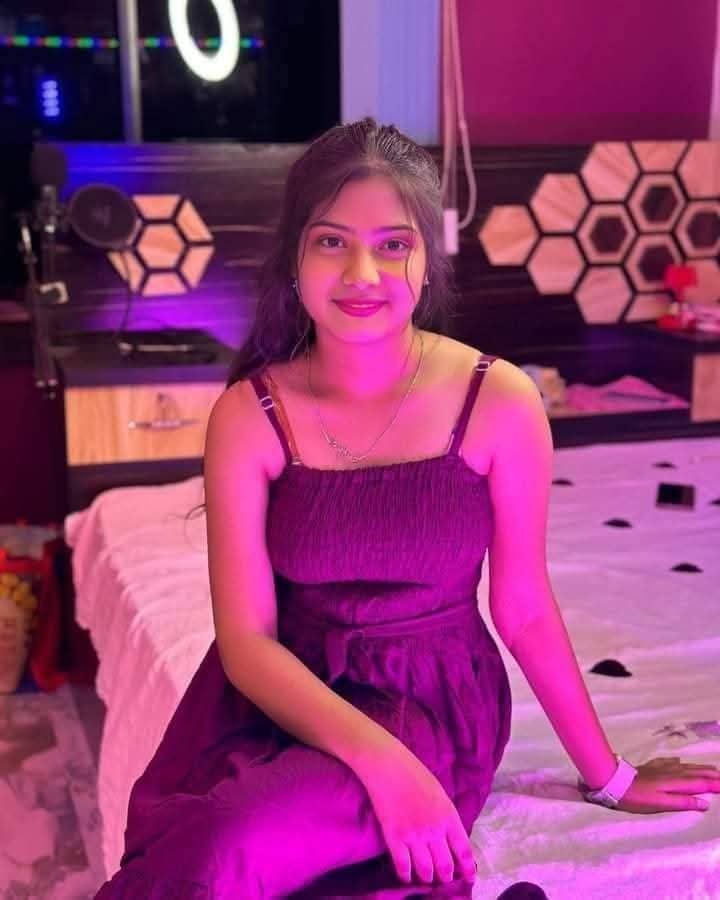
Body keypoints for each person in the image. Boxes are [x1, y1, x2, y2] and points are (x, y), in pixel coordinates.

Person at [94, 118, 719, 899]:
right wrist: (383, 766)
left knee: (230, 846)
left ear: (427, 263)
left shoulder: (499, 401)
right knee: (210, 838)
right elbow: (247, 642)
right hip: (279, 692)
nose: (363, 272)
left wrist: (611, 775)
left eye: (394, 244)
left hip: (430, 703)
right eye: (331, 242)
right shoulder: (251, 415)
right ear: (295, 259)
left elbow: (523, 609)